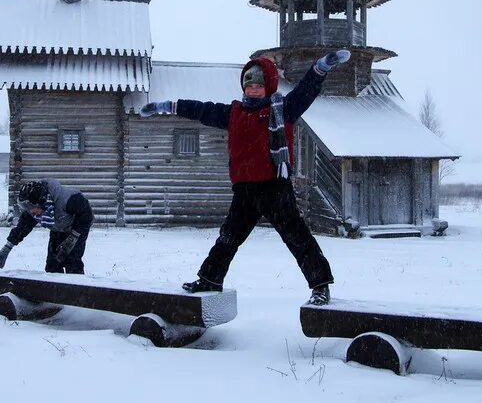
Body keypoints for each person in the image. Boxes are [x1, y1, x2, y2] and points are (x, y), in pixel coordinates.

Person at [140, 49, 351, 305]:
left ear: (269, 86)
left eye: (259, 85)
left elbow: (306, 91)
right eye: (249, 84)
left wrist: (321, 67)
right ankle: (210, 281)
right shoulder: (234, 113)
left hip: (274, 187)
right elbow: (201, 110)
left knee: (297, 237)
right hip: (244, 190)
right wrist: (166, 106)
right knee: (227, 238)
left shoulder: (282, 110)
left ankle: (320, 286)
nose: (252, 89)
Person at [0, 179, 93, 274]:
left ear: (43, 201)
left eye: (33, 208)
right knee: (52, 265)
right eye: (28, 208)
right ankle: (54, 290)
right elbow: (22, 228)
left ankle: (77, 290)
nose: (31, 211)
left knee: (72, 263)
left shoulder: (70, 199)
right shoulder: (32, 207)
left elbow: (86, 218)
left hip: (77, 229)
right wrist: (7, 248)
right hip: (58, 230)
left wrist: (71, 240)